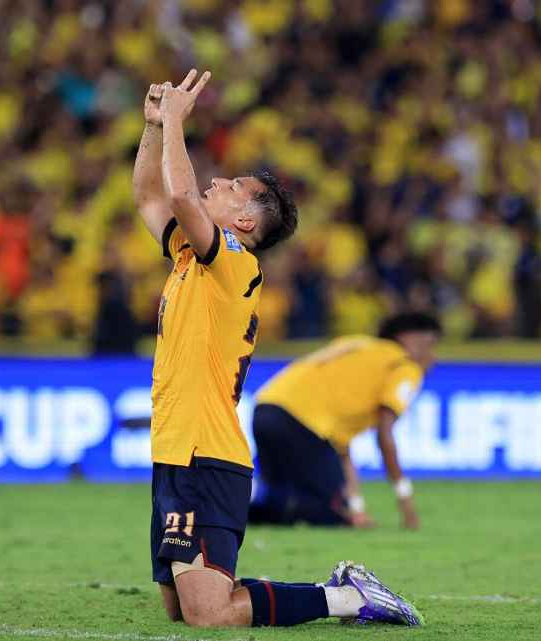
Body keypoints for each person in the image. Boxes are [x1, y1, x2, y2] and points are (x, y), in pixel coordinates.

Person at [133, 69, 421, 629]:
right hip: (175, 450)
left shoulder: (234, 262)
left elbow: (181, 192)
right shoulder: (193, 255)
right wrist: (151, 128)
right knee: (180, 607)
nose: (220, 182)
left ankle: (345, 597)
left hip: (206, 454)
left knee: (210, 615)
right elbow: (150, 196)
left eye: (235, 187)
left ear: (243, 222)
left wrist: (174, 124)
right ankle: (322, 594)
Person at [249, 313, 440, 529]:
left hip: (265, 409)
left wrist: (356, 508)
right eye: (430, 345)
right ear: (409, 338)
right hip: (302, 423)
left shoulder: (354, 343)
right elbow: (385, 436)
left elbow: (340, 448)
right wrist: (405, 499)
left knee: (277, 501)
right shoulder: (404, 366)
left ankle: (227, 512)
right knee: (331, 512)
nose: (433, 357)